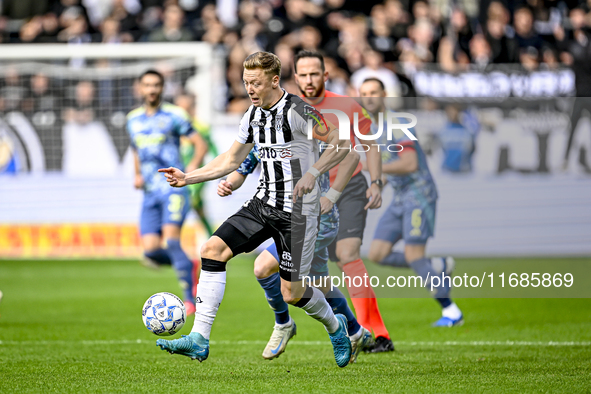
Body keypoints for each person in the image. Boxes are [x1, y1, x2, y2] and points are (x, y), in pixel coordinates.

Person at [156, 51, 354, 367]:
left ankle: (336, 326)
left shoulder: (299, 110)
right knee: (212, 249)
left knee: (293, 293)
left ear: (274, 80)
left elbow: (342, 144)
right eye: (246, 82)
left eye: (256, 83)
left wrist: (314, 173)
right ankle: (199, 338)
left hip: (299, 215)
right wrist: (187, 177)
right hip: (263, 205)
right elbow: (231, 160)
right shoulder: (252, 116)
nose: (250, 89)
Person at [218, 143, 374, 362]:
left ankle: (283, 323)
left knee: (263, 267)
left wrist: (331, 195)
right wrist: (228, 185)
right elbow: (242, 170)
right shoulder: (263, 136)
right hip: (288, 223)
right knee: (320, 285)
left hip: (318, 223)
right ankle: (357, 332)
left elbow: (351, 156)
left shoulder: (304, 133)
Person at [293, 50, 394, 353]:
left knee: (347, 254)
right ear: (295, 77)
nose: (309, 80)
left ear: (325, 75)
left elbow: (370, 145)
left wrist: (376, 183)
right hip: (307, 196)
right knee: (310, 272)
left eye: (315, 74)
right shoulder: (288, 107)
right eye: (303, 74)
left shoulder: (346, 105)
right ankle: (349, 329)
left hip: (348, 187)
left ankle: (377, 334)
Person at [360, 78, 463, 327]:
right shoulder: (370, 128)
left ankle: (451, 311)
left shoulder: (399, 123)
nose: (369, 98)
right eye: (364, 93)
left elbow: (409, 164)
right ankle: (436, 266)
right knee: (377, 253)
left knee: (414, 255)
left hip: (419, 195)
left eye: (374, 92)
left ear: (384, 94)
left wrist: (373, 168)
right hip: (399, 199)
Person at [126, 69, 202, 315]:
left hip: (172, 190)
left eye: (156, 85)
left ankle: (190, 299)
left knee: (171, 241)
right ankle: (188, 264)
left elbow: (199, 143)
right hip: (150, 193)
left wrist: (188, 173)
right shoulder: (133, 119)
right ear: (140, 88)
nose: (152, 89)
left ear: (162, 88)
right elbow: (137, 150)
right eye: (147, 84)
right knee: (150, 250)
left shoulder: (174, 115)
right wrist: (137, 175)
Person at [174, 94, 216, 237]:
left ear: (193, 108)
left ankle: (171, 242)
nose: (182, 112)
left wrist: (221, 172)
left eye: (186, 108)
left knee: (184, 204)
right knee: (200, 211)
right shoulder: (173, 127)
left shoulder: (201, 127)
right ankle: (215, 240)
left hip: (196, 177)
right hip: (177, 176)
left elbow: (214, 150)